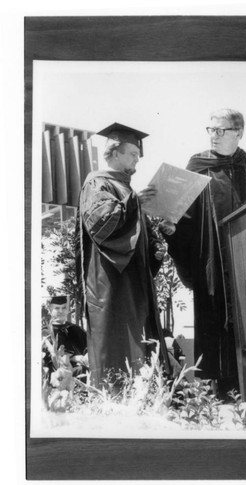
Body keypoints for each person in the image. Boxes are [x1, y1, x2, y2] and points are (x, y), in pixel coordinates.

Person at [160, 109, 246, 399]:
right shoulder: (197, 166)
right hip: (214, 261)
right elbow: (181, 220)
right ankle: (223, 390)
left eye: (220, 130)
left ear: (239, 132)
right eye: (209, 129)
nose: (213, 134)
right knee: (217, 321)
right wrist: (171, 229)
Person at [76, 122, 169, 388]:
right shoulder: (97, 183)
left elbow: (138, 236)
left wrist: (155, 247)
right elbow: (102, 225)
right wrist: (134, 203)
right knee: (117, 341)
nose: (136, 161)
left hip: (132, 283)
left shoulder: (128, 191)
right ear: (114, 152)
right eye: (132, 155)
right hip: (110, 284)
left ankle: (143, 397)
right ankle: (115, 399)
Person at [42, 295, 88, 378]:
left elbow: (89, 346)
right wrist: (73, 358)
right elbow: (48, 358)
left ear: (68, 310)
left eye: (64, 308)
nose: (61, 311)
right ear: (50, 310)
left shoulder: (76, 329)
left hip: (84, 370)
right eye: (57, 308)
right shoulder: (45, 333)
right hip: (60, 376)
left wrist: (87, 355)